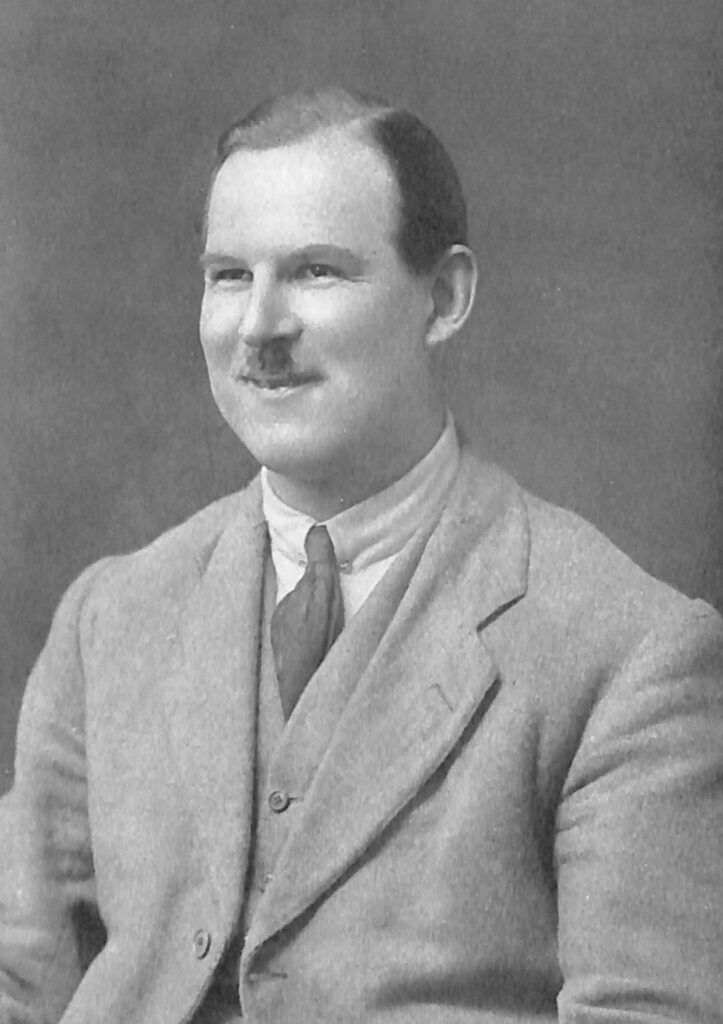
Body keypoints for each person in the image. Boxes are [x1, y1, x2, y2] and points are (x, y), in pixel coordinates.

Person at [1, 86, 722, 1024]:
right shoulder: (111, 617)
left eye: (315, 272)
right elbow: (18, 984)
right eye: (228, 276)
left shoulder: (629, 652)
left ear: (445, 298)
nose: (258, 328)